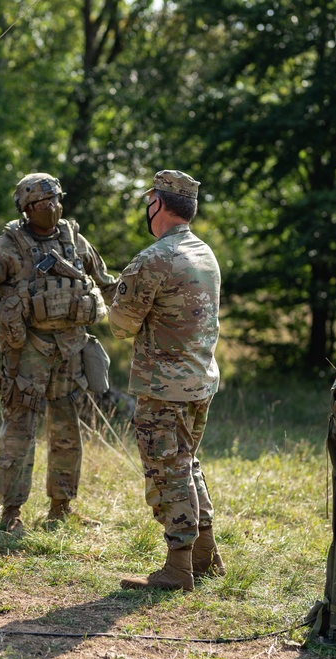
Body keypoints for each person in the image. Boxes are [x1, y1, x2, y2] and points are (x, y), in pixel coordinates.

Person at [0, 172, 118, 534]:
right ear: (27, 208)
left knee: (66, 430)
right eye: (44, 203)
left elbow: (106, 282)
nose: (53, 208)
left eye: (56, 200)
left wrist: (131, 309)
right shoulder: (8, 246)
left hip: (70, 350)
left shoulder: (74, 240)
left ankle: (62, 506)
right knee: (20, 430)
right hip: (28, 352)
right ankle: (11, 512)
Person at [109, 170, 225, 592]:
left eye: (147, 202)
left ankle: (178, 570)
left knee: (166, 472)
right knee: (187, 465)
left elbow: (121, 325)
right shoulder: (204, 253)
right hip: (199, 382)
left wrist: (116, 296)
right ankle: (205, 556)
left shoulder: (154, 258)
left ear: (157, 204)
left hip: (163, 388)